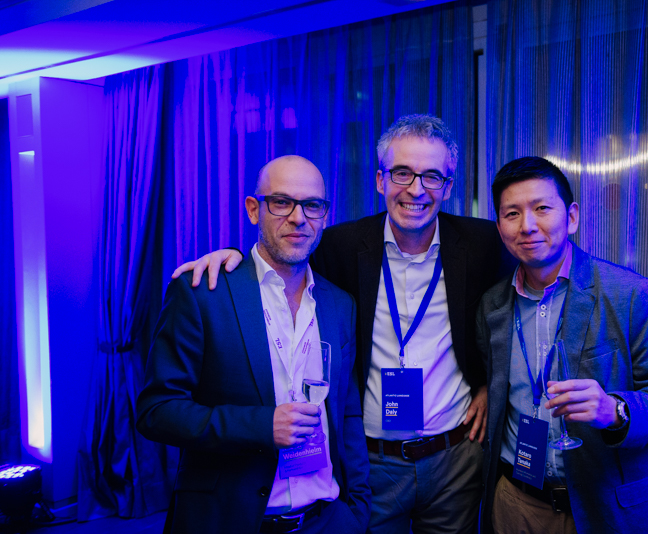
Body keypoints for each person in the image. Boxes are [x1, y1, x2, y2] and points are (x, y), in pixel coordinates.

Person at [174, 115, 516, 533]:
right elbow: (281, 252)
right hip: (372, 462)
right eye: (402, 173)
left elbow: (514, 306)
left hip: (454, 459)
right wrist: (231, 256)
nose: (416, 189)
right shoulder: (339, 245)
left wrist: (489, 383)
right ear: (380, 180)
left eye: (431, 176)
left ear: (448, 186)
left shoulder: (484, 243)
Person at [137, 156, 370, 534]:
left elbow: (347, 415)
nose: (298, 218)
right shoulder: (203, 293)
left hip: (326, 520)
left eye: (312, 205)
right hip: (231, 522)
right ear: (253, 209)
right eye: (281, 202)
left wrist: (356, 511)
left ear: (324, 216)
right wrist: (261, 425)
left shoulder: (340, 305)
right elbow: (156, 411)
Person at [476, 156, 648, 534]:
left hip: (605, 506)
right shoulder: (492, 304)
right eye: (512, 214)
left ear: (572, 217)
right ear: (499, 227)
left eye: (542, 208)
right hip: (516, 504)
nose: (527, 225)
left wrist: (614, 410)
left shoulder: (630, 294)